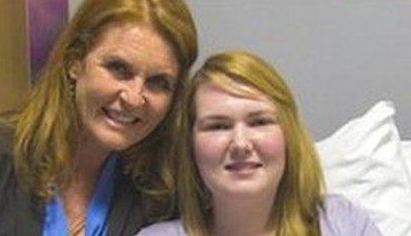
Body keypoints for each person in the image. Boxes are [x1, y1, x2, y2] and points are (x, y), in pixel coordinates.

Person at [0, 0, 197, 235]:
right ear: (74, 62)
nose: (134, 97)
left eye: (158, 83)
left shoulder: (160, 191)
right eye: (118, 69)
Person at [137, 50, 382, 236]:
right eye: (218, 126)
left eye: (259, 122)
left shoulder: (344, 223)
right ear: (190, 147)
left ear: (288, 136)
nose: (240, 144)